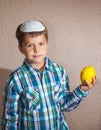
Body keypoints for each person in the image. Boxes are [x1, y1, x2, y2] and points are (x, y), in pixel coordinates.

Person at [2, 20, 96, 130]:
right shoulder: (15, 79)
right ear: (21, 48)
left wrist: (82, 89)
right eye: (30, 45)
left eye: (41, 44)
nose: (36, 50)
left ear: (47, 44)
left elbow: (65, 105)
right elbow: (10, 118)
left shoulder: (59, 71)